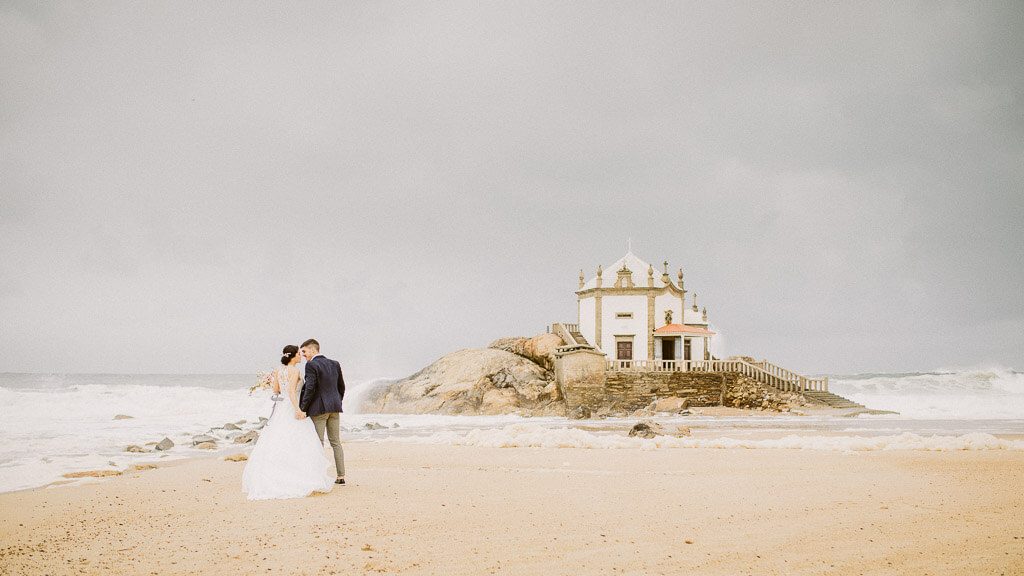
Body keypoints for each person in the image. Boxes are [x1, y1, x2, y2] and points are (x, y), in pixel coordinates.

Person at [241, 345, 334, 500]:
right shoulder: (295, 370)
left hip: (280, 408)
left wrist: (272, 383)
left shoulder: (278, 370)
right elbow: (291, 391)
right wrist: (298, 409)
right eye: (299, 354)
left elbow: (276, 390)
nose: (300, 356)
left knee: (277, 438)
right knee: (299, 440)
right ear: (292, 356)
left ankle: (274, 473)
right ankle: (297, 475)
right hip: (291, 407)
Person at [299, 338, 346, 485]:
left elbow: (310, 389)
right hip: (335, 408)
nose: (303, 355)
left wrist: (303, 409)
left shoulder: (311, 365)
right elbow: (341, 387)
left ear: (313, 350)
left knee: (318, 443)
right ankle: (341, 476)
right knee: (336, 442)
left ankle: (319, 476)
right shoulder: (334, 363)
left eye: (305, 351)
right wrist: (337, 401)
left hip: (319, 409)